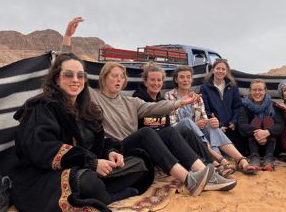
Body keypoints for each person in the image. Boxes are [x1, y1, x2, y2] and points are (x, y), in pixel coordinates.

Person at [62, 17, 236, 195]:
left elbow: (155, 108)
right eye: (114, 76)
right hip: (114, 147)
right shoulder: (92, 96)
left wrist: (178, 103)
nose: (119, 80)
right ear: (104, 77)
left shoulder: (130, 101)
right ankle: (188, 180)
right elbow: (66, 69)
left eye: (122, 77)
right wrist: (67, 39)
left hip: (136, 147)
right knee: (146, 133)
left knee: (169, 131)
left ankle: (208, 176)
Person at [10, 52, 155, 212]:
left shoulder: (87, 109)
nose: (75, 80)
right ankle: (110, 198)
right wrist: (92, 163)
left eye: (80, 76)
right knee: (86, 180)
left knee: (141, 163)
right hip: (44, 176)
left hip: (89, 169)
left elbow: (98, 144)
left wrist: (111, 152)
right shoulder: (45, 107)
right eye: (68, 75)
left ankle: (100, 192)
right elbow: (43, 149)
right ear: (57, 78)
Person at [164, 66, 259, 174]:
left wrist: (213, 122)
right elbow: (170, 125)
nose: (185, 80)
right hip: (177, 134)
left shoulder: (197, 97)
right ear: (176, 80)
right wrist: (195, 124)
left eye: (188, 77)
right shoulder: (169, 96)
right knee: (187, 122)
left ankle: (241, 159)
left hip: (195, 135)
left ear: (191, 79)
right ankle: (218, 158)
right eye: (181, 77)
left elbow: (204, 120)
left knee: (211, 126)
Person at [199, 59, 247, 155]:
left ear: (227, 72)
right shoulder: (205, 88)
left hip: (230, 127)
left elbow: (238, 107)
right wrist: (218, 125)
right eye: (218, 68)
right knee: (218, 154)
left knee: (240, 152)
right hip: (214, 127)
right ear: (213, 70)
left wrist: (234, 122)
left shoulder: (233, 87)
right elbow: (204, 109)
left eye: (223, 69)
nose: (220, 71)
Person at [238, 79, 284, 171]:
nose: (257, 92)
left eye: (260, 90)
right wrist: (259, 134)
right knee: (256, 121)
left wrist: (267, 132)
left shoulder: (273, 106)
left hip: (272, 146)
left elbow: (280, 125)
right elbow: (242, 125)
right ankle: (254, 157)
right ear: (250, 91)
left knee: (268, 119)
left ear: (265, 91)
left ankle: (269, 158)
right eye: (254, 90)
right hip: (251, 146)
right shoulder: (245, 107)